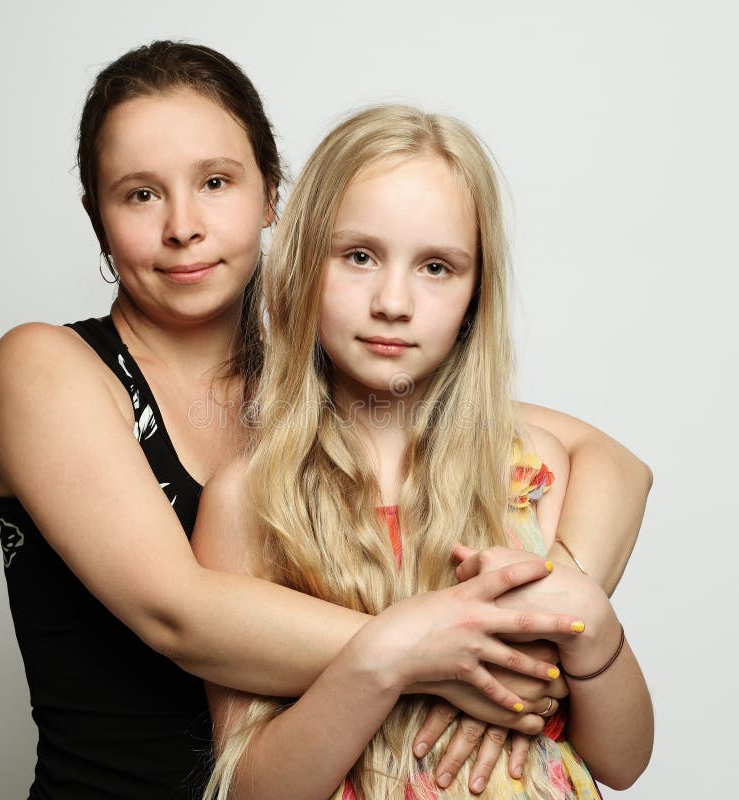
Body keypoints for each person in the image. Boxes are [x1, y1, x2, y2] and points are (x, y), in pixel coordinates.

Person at [0, 41, 651, 800]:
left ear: (273, 196)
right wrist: (445, 652)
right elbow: (178, 614)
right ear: (96, 218)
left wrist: (551, 609)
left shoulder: (330, 384)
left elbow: (609, 462)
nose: (183, 225)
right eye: (139, 194)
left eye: (216, 182)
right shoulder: (46, 367)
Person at [194, 105, 653, 800]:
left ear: (476, 293)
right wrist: (383, 660)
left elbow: (624, 761)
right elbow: (251, 789)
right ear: (302, 265)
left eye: (437, 266)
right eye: (358, 256)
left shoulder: (532, 472)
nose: (394, 301)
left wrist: (595, 627)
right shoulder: (250, 502)